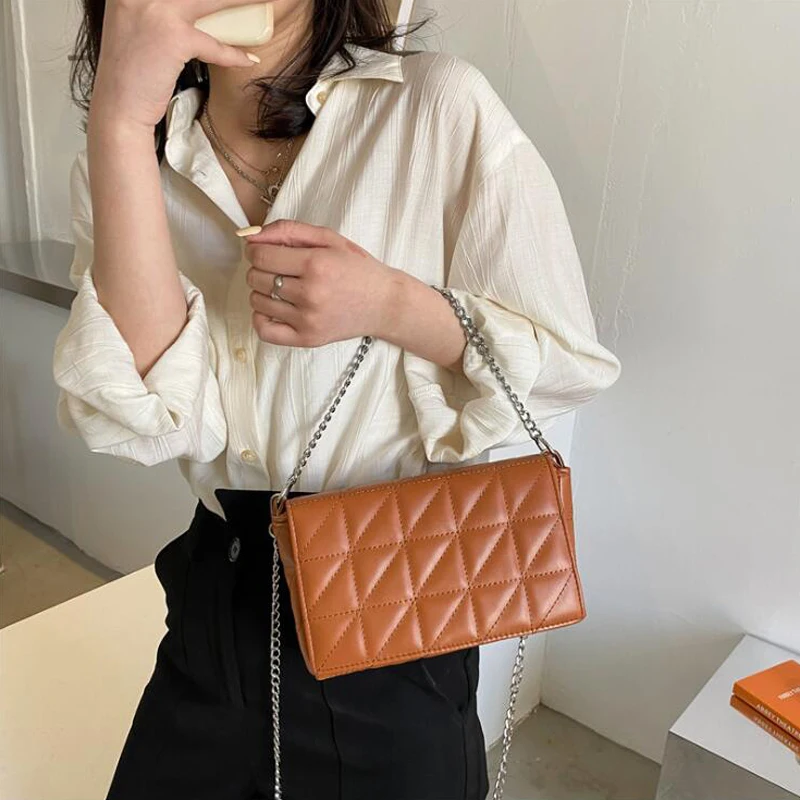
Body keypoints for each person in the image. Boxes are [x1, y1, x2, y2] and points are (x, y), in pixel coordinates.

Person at [52, 0, 622, 797]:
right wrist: (117, 121)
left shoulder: (436, 107)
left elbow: (569, 364)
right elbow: (152, 414)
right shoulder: (127, 158)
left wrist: (392, 304)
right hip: (219, 591)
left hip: (392, 597)